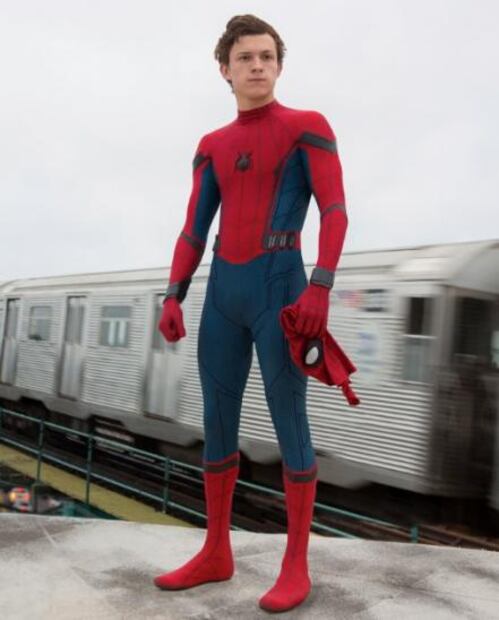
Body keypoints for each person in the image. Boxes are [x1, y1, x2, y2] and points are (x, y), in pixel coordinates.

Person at [154, 14, 349, 613]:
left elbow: (335, 210)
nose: (257, 65)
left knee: (291, 422)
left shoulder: (307, 127)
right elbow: (194, 227)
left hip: (281, 289)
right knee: (217, 422)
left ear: (279, 65)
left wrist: (320, 287)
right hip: (223, 293)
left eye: (266, 56)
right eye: (245, 57)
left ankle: (296, 565)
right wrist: (173, 293)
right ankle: (216, 551)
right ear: (225, 69)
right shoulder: (212, 145)